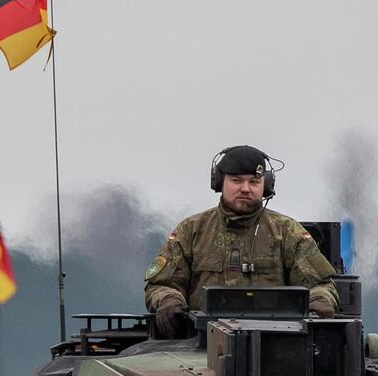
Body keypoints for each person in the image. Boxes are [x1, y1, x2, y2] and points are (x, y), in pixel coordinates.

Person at [143, 144, 339, 336]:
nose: (246, 189)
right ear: (220, 182)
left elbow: (321, 285)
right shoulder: (192, 230)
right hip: (198, 344)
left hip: (275, 344)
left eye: (254, 182)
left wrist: (319, 302)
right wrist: (169, 300)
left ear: (266, 185)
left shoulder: (287, 232)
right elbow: (161, 284)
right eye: (236, 180)